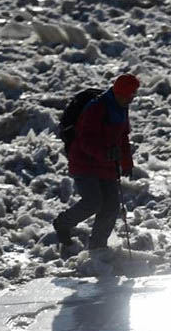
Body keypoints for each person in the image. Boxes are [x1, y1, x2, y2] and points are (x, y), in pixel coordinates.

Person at [53, 74, 139, 254]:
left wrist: (126, 162)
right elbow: (85, 140)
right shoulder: (96, 108)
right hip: (84, 163)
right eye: (128, 96)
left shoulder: (121, 108)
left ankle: (97, 248)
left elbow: (122, 137)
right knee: (93, 202)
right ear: (118, 93)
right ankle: (62, 223)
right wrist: (105, 154)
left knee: (111, 206)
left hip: (106, 165)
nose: (130, 100)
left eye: (133, 96)